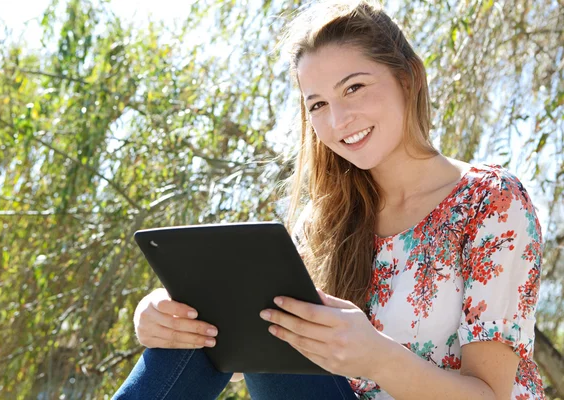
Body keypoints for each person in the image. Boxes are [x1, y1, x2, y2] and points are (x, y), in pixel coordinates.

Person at [113, 0, 545, 398]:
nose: (338, 120)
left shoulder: (489, 201)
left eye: (353, 88)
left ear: (408, 78)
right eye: (317, 105)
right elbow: (253, 355)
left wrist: (375, 355)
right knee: (204, 327)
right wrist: (167, 319)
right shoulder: (324, 224)